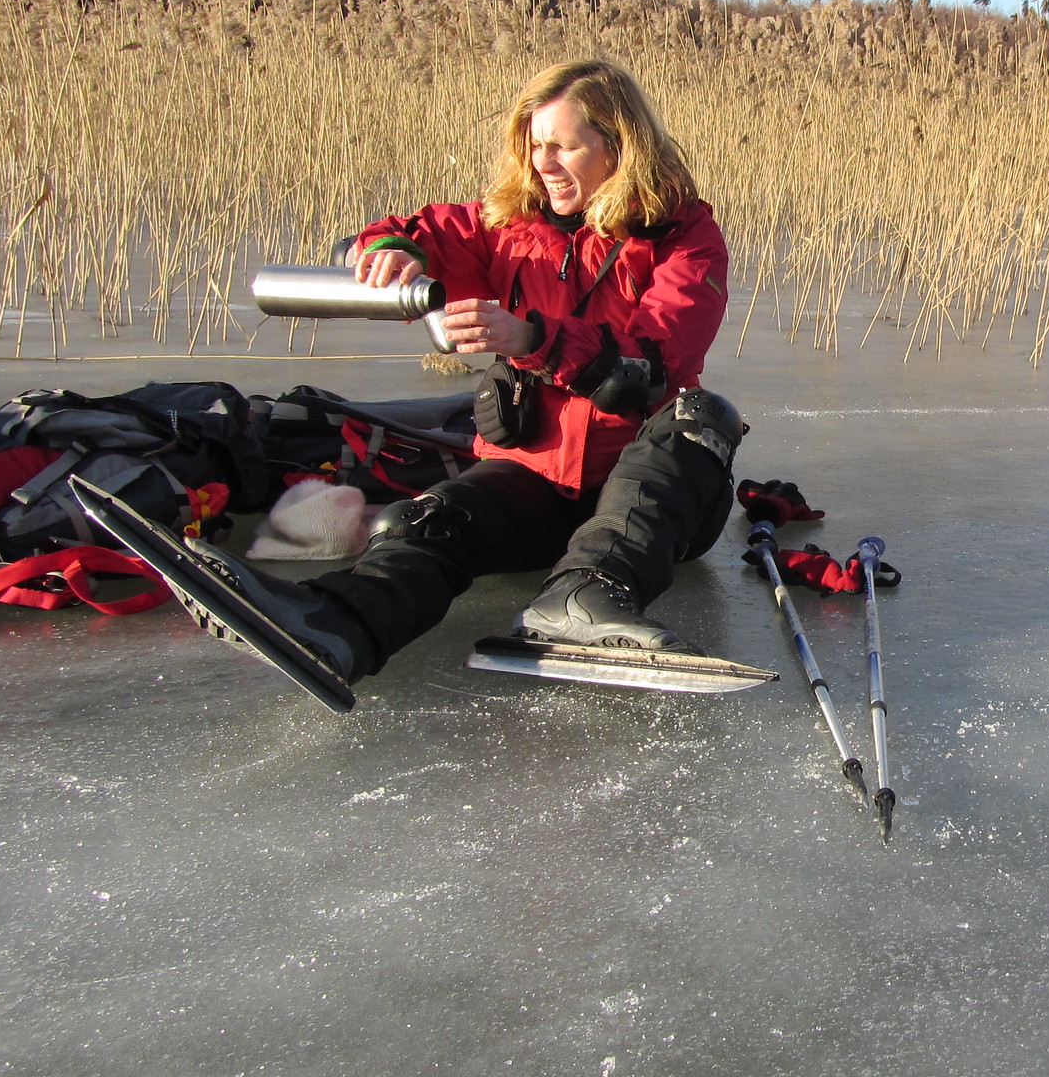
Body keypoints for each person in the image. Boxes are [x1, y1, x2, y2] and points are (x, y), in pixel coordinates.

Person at [141, 58, 742, 697]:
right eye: (534, 145)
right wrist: (387, 253)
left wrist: (531, 339)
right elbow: (409, 232)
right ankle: (340, 623)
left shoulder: (685, 235)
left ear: (617, 145)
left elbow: (651, 366)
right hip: (536, 482)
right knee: (429, 520)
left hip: (654, 499)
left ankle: (587, 599)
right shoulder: (507, 227)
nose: (543, 162)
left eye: (563, 146)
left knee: (699, 416)